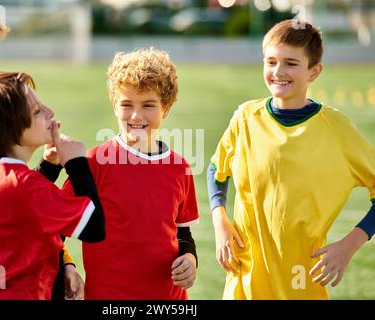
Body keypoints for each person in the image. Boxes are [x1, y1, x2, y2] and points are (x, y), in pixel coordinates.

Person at [207, 19, 375, 300]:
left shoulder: (335, 128)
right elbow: (217, 168)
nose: (278, 71)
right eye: (270, 61)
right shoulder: (246, 118)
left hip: (301, 283)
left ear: (314, 71)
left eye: (291, 63)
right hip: (244, 281)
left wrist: (349, 244)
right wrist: (219, 220)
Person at [0, 71, 105, 299]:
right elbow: (94, 228)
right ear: (10, 129)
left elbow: (22, 207)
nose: (50, 112)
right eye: (37, 111)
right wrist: (76, 163)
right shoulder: (24, 185)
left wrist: (49, 166)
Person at [63, 48, 200, 299]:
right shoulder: (93, 164)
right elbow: (53, 227)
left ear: (166, 108)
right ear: (114, 105)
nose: (136, 115)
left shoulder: (181, 168)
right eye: (127, 104)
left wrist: (189, 259)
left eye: (148, 105)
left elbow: (182, 234)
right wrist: (67, 267)